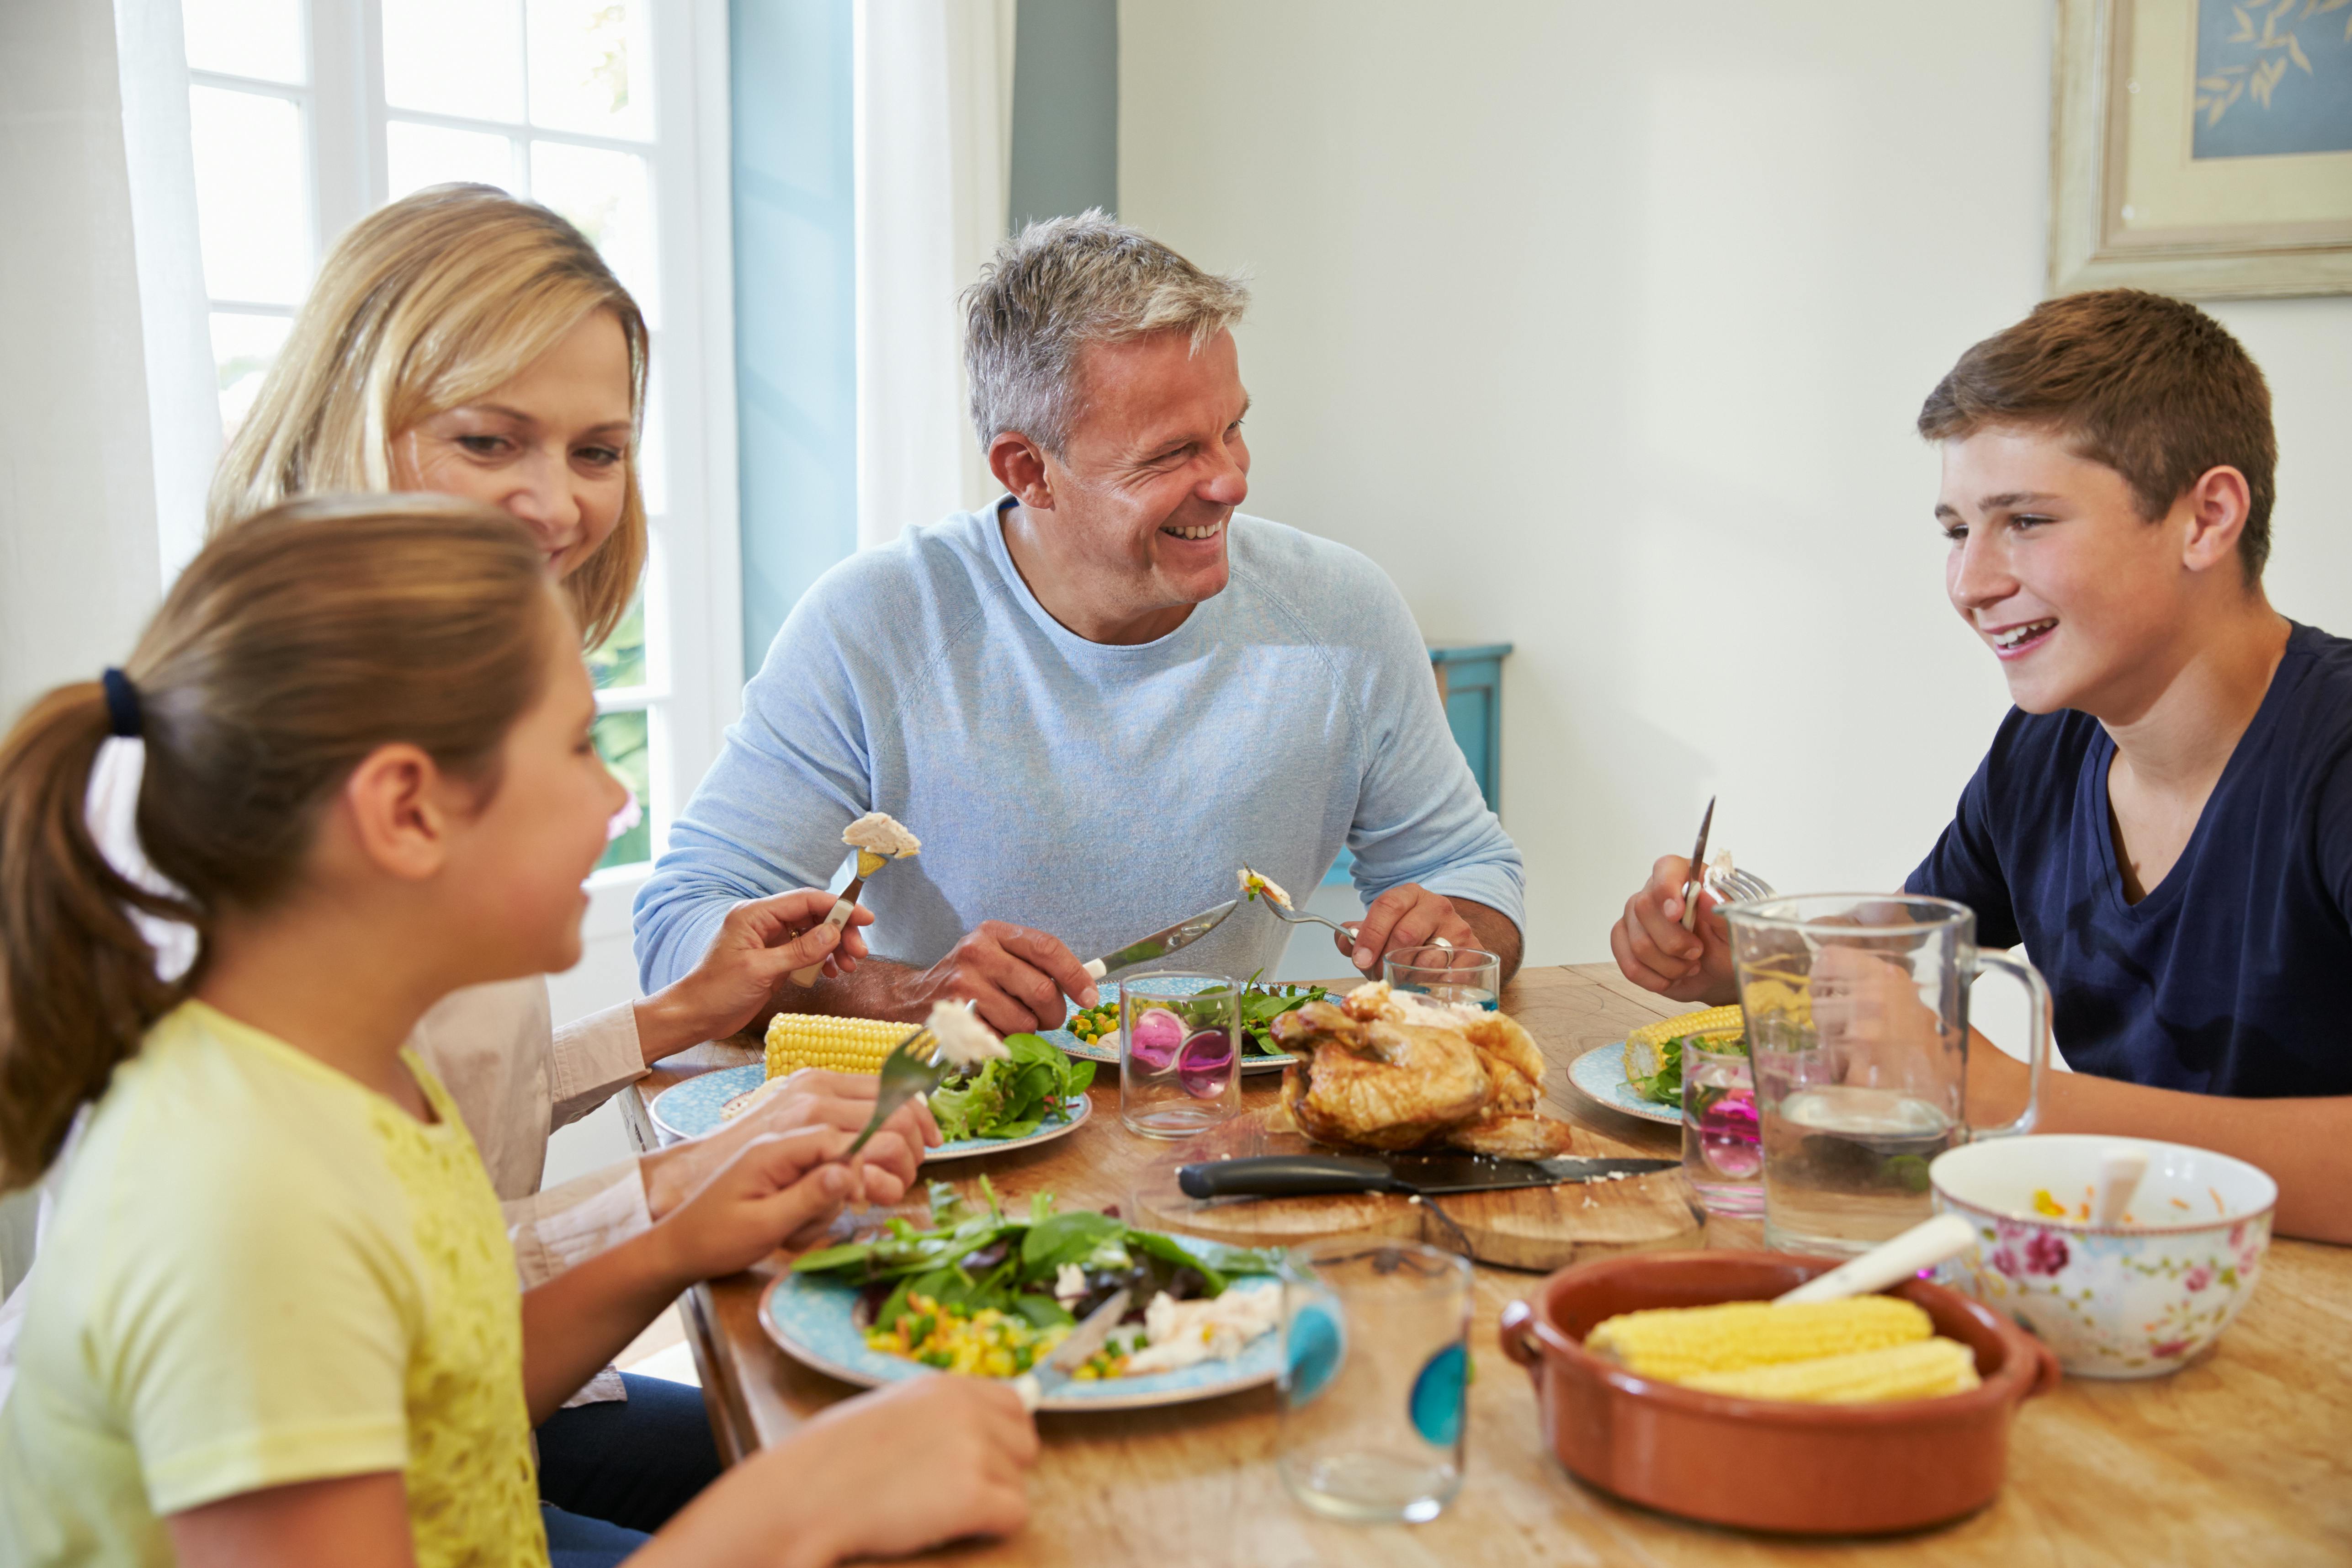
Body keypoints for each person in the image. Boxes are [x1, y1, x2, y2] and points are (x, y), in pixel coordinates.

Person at [0, 183, 938, 1542]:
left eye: (599, 449)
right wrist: (674, 1202)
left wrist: (674, 1087)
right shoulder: (247, 1159)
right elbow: (342, 1282)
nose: (554, 503)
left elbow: (434, 1229)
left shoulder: (350, 1071)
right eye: (490, 436)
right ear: (400, 809)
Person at [0, 499, 1037, 1568]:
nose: (617, 797)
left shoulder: (363, 1072)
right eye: (579, 745)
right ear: (407, 811)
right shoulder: (246, 1202)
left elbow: (451, 1391)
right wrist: (797, 1511)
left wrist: (679, 1242)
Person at [635, 213, 1525, 1032]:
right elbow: (683, 920)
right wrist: (902, 996)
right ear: (1029, 469)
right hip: (956, 1138)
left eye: (1233, 429)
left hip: (1223, 1131)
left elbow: (1474, 875)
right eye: (1173, 454)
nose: (1231, 482)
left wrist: (1454, 932)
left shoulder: (1343, 610)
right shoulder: (875, 623)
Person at [1609, 289, 2352, 1244]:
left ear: (2205, 519)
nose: (1972, 584)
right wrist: (1755, 966)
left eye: (2029, 522)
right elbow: (1916, 977)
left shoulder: (2334, 755)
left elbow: (1978, 1082)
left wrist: (2015, 1096)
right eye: (1958, 530)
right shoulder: (2043, 752)